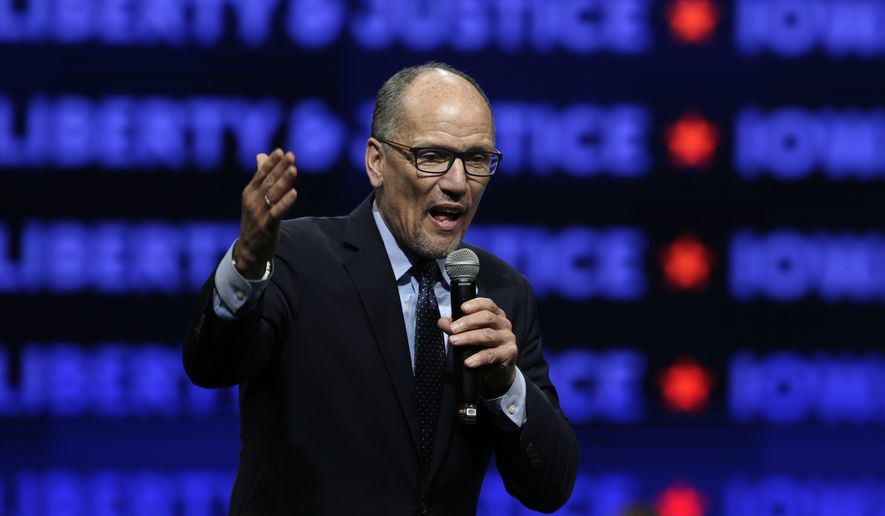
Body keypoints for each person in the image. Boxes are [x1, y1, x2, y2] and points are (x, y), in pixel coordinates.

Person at [183, 62, 578, 515]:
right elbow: (210, 365)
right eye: (432, 156)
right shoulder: (297, 258)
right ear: (377, 162)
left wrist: (506, 384)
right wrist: (247, 266)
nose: (457, 184)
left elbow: (551, 486)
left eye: (476, 160)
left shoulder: (504, 291)